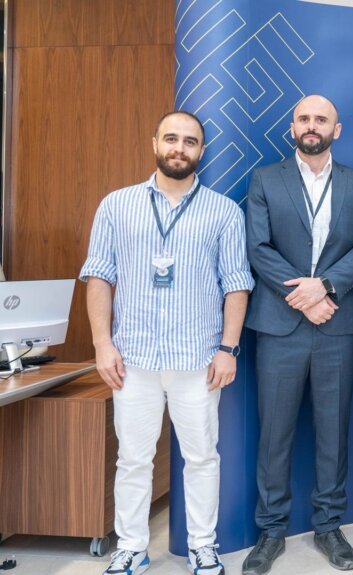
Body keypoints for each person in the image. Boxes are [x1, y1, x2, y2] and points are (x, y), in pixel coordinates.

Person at [81, 111, 253, 575]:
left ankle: (203, 546)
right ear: (155, 142)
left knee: (201, 457)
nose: (180, 148)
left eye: (190, 141)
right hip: (132, 358)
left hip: (198, 360)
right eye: (171, 138)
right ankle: (131, 547)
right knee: (133, 459)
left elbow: (236, 284)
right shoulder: (116, 205)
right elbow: (99, 276)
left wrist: (228, 348)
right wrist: (102, 343)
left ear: (201, 151)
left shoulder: (224, 211)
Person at [241, 95, 353, 574]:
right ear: (292, 127)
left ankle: (328, 526)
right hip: (280, 325)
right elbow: (258, 247)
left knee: (332, 431)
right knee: (274, 433)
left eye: (321, 119)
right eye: (304, 118)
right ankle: (271, 531)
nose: (311, 125)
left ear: (336, 130)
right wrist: (303, 295)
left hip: (337, 322)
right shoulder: (265, 180)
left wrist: (327, 286)